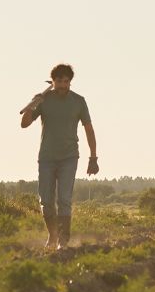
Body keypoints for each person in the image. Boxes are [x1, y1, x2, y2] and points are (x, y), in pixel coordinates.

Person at [19, 63, 98, 251]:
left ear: (70, 82)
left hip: (69, 157)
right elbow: (24, 124)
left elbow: (89, 129)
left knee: (63, 199)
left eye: (66, 82)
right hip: (46, 157)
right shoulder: (43, 100)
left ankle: (63, 240)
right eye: (59, 82)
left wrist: (93, 157)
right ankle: (52, 235)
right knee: (46, 200)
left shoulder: (79, 101)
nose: (63, 85)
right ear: (52, 82)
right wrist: (32, 105)